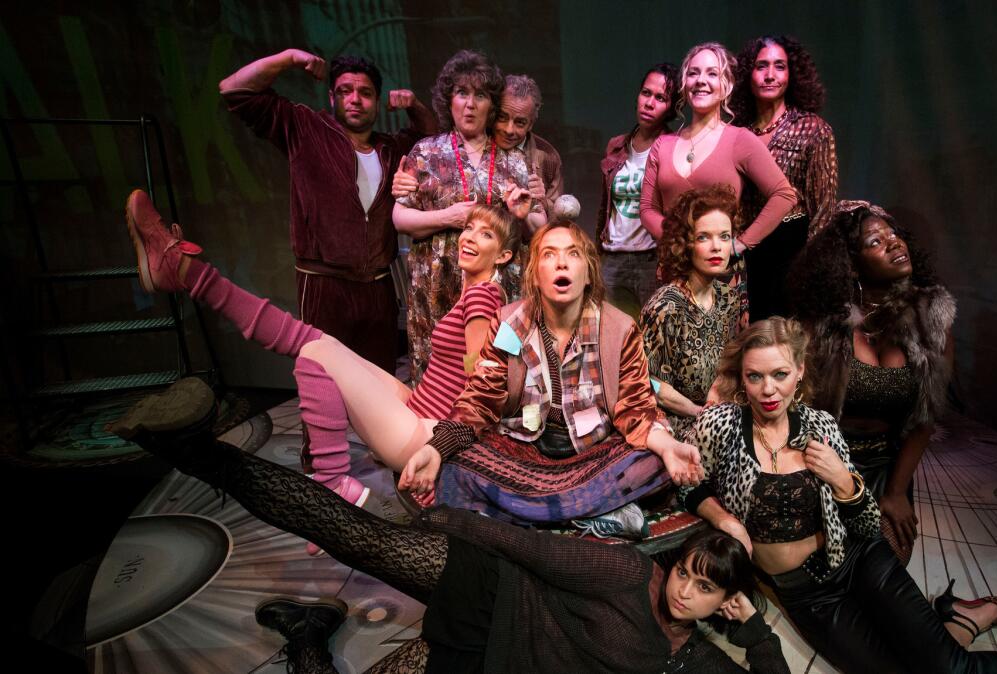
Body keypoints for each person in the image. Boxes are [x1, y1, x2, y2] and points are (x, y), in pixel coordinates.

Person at [108, 375, 788, 672]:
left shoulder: (692, 658)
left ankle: (312, 634)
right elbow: (527, 548)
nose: (683, 588)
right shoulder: (628, 570)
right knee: (359, 535)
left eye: (701, 589)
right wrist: (448, 522)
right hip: (491, 589)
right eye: (687, 571)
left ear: (716, 606)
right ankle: (191, 446)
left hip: (491, 659)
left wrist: (755, 628)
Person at [683, 318, 997, 674]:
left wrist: (844, 481)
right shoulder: (719, 425)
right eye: (754, 376)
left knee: (951, 671)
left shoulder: (821, 426)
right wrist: (724, 519)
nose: (768, 390)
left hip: (859, 560)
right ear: (742, 377)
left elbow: (868, 524)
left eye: (779, 374)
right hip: (807, 595)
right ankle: (965, 616)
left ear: (799, 372)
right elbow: (689, 481)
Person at [123, 189, 517, 553]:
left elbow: (479, 374)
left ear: (503, 256)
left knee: (312, 351)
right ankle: (183, 271)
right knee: (314, 341)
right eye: (469, 227)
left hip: (425, 431)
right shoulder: (474, 292)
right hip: (420, 408)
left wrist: (452, 453)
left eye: (485, 235)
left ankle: (329, 484)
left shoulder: (483, 295)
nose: (469, 237)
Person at [400, 221, 705, 535]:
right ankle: (597, 512)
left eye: (573, 254)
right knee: (455, 467)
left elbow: (636, 411)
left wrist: (668, 447)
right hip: (524, 452)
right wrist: (436, 448)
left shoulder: (620, 329)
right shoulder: (507, 323)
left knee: (653, 462)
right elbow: (479, 401)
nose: (561, 262)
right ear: (535, 275)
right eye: (549, 254)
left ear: (588, 274)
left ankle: (516, 516)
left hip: (592, 456)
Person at [220, 49, 436, 375]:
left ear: (377, 102)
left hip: (377, 286)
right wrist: (289, 58)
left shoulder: (390, 148)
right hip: (324, 284)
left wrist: (415, 105)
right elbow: (234, 90)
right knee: (324, 385)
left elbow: (433, 140)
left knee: (379, 387)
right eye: (345, 91)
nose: (355, 100)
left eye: (365, 93)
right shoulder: (306, 128)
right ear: (332, 96)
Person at [791, 200, 946, 565]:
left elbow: (926, 416)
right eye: (876, 241)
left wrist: (896, 492)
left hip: (885, 467)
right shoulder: (826, 323)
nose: (894, 243)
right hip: (826, 458)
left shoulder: (930, 316)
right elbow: (799, 403)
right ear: (852, 265)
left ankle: (966, 611)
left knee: (884, 565)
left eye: (894, 234)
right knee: (823, 570)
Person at [392, 50, 537, 382]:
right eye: (462, 93)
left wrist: (523, 216)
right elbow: (400, 219)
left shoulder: (513, 160)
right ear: (449, 101)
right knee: (440, 380)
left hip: (498, 286)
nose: (471, 104)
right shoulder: (426, 153)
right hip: (437, 286)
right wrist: (448, 217)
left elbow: (533, 228)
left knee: (493, 370)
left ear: (492, 105)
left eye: (481, 95)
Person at [639, 42, 797, 323]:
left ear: (726, 85)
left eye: (712, 74)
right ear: (684, 84)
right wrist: (678, 242)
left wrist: (740, 244)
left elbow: (784, 195)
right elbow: (648, 208)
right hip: (673, 275)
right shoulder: (663, 145)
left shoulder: (739, 140)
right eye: (694, 73)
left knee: (722, 361)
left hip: (721, 279)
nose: (701, 81)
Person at [731, 35, 839, 321]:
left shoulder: (812, 129)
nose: (769, 75)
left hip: (791, 250)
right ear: (747, 75)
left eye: (779, 66)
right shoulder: (736, 132)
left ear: (792, 75)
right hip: (741, 252)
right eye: (761, 66)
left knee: (783, 342)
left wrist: (808, 268)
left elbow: (824, 210)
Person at [640, 185, 742, 437]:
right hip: (673, 422)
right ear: (685, 244)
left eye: (725, 236)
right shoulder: (665, 307)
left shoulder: (728, 298)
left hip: (715, 412)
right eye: (703, 237)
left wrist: (717, 398)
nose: (717, 247)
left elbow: (727, 364)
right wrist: (700, 413)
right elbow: (650, 383)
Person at [596, 63, 681, 316]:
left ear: (672, 108)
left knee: (651, 338)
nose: (649, 103)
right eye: (646, 93)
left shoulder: (673, 147)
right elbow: (606, 205)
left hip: (651, 259)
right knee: (613, 338)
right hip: (613, 258)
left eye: (661, 98)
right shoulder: (616, 145)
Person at [493, 74, 562, 227]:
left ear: (531, 124)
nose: (509, 130)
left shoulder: (547, 156)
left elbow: (558, 218)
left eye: (520, 123)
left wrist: (542, 200)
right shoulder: (477, 144)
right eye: (502, 118)